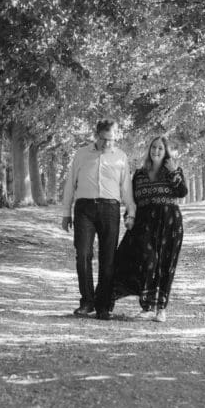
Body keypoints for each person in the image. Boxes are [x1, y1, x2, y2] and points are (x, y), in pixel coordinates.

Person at [61, 119, 136, 320]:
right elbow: (70, 184)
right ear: (96, 135)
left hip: (110, 209)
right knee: (83, 253)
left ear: (115, 137)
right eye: (103, 139)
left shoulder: (121, 157)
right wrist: (66, 212)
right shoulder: (81, 154)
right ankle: (87, 301)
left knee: (108, 259)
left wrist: (131, 212)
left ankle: (103, 305)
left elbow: (126, 188)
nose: (106, 144)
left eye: (110, 140)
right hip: (84, 209)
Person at [112, 135, 187, 323]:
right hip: (145, 222)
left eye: (160, 148)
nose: (156, 151)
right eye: (154, 147)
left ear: (166, 152)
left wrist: (173, 172)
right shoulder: (139, 174)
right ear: (149, 149)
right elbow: (132, 200)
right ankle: (147, 307)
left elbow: (182, 192)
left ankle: (161, 308)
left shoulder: (174, 170)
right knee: (148, 259)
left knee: (165, 264)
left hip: (170, 223)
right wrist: (129, 217)